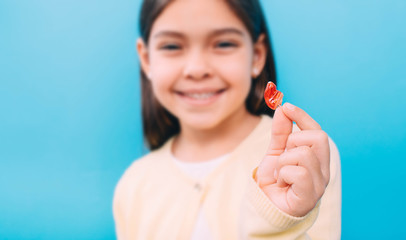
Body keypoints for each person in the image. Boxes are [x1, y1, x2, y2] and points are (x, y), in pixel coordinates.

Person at [113, 0, 342, 239]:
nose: (197, 69)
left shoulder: (300, 157)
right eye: (171, 46)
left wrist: (280, 221)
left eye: (223, 43)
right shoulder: (134, 185)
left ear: (257, 55)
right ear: (147, 59)